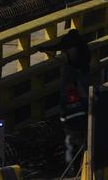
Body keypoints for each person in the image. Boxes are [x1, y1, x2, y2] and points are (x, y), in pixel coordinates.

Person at [37, 29, 92, 163]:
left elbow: (87, 59)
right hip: (73, 70)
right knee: (73, 91)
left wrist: (81, 69)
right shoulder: (72, 42)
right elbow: (57, 46)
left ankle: (85, 106)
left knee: (81, 92)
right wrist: (44, 48)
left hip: (80, 71)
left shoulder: (82, 46)